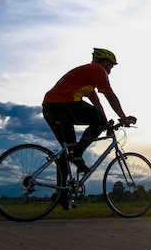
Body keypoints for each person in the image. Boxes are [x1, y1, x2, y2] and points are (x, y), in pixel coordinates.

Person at [42, 48, 137, 176]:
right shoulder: (97, 69)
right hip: (62, 103)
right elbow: (110, 95)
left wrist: (105, 122)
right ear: (105, 63)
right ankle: (77, 153)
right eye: (110, 67)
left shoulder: (86, 82)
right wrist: (123, 118)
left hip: (50, 108)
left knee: (67, 152)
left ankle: (61, 193)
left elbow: (98, 107)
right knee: (78, 148)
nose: (110, 71)